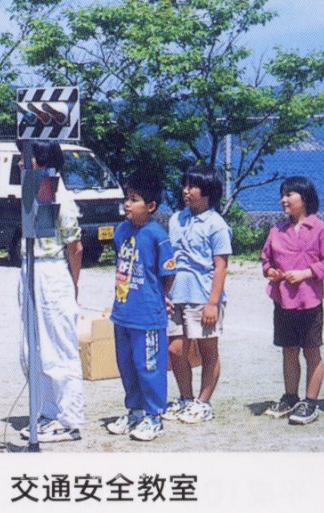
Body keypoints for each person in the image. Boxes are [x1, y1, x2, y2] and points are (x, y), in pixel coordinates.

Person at [18, 141, 85, 443]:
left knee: (59, 347)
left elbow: (75, 247)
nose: (21, 162)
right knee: (33, 348)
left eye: (26, 157)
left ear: (41, 161)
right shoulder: (32, 190)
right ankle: (47, 411)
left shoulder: (61, 196)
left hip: (52, 270)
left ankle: (69, 420)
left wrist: (73, 285)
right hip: (30, 268)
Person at [261, 176, 324, 425]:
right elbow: (266, 260)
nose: (283, 200)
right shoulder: (276, 231)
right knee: (289, 350)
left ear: (304, 198)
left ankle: (310, 401)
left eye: (289, 194)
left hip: (310, 301)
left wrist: (306, 273)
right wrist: (270, 271)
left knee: (312, 350)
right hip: (283, 301)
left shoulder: (322, 229)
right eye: (282, 195)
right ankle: (290, 396)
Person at [107, 173, 176, 441]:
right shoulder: (121, 231)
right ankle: (135, 411)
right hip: (123, 312)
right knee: (127, 365)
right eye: (126, 198)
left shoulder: (158, 236)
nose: (127, 204)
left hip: (147, 317)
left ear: (151, 206)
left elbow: (168, 274)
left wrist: (160, 296)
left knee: (148, 366)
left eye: (134, 199)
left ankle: (154, 416)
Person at [164, 165, 232, 423]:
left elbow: (220, 266)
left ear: (207, 192)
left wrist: (212, 303)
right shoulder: (176, 219)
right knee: (175, 349)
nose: (186, 191)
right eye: (185, 185)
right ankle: (186, 397)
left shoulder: (216, 224)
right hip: (175, 295)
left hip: (203, 296)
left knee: (208, 350)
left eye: (192, 186)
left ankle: (203, 403)